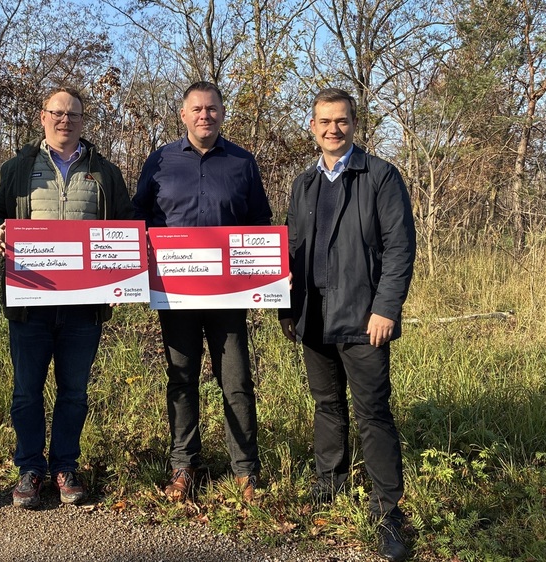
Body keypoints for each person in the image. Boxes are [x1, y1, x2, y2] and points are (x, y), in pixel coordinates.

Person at [278, 88, 416, 562]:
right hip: (313, 315)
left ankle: (387, 510)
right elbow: (291, 249)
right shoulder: (304, 183)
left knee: (372, 412)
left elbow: (399, 248)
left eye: (341, 121)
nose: (333, 129)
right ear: (312, 127)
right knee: (326, 405)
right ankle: (330, 483)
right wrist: (286, 308)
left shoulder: (379, 176)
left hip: (363, 316)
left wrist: (386, 308)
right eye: (325, 121)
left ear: (355, 124)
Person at [0, 86, 133, 509]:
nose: (66, 120)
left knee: (74, 393)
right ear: (43, 117)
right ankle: (30, 468)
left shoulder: (105, 172)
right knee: (26, 392)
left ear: (83, 121)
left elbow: (126, 224)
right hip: (29, 302)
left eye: (74, 114)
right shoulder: (16, 168)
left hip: (84, 305)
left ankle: (65, 465)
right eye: (58, 113)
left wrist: (121, 278)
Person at [133, 81, 272, 503]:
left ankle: (245, 470)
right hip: (175, 294)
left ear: (222, 113)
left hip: (229, 295)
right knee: (181, 378)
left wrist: (265, 273)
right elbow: (138, 218)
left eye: (211, 109)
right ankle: (184, 465)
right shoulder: (160, 161)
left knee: (237, 381)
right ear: (183, 115)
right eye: (196, 109)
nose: (204, 115)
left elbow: (260, 223)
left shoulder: (242, 162)